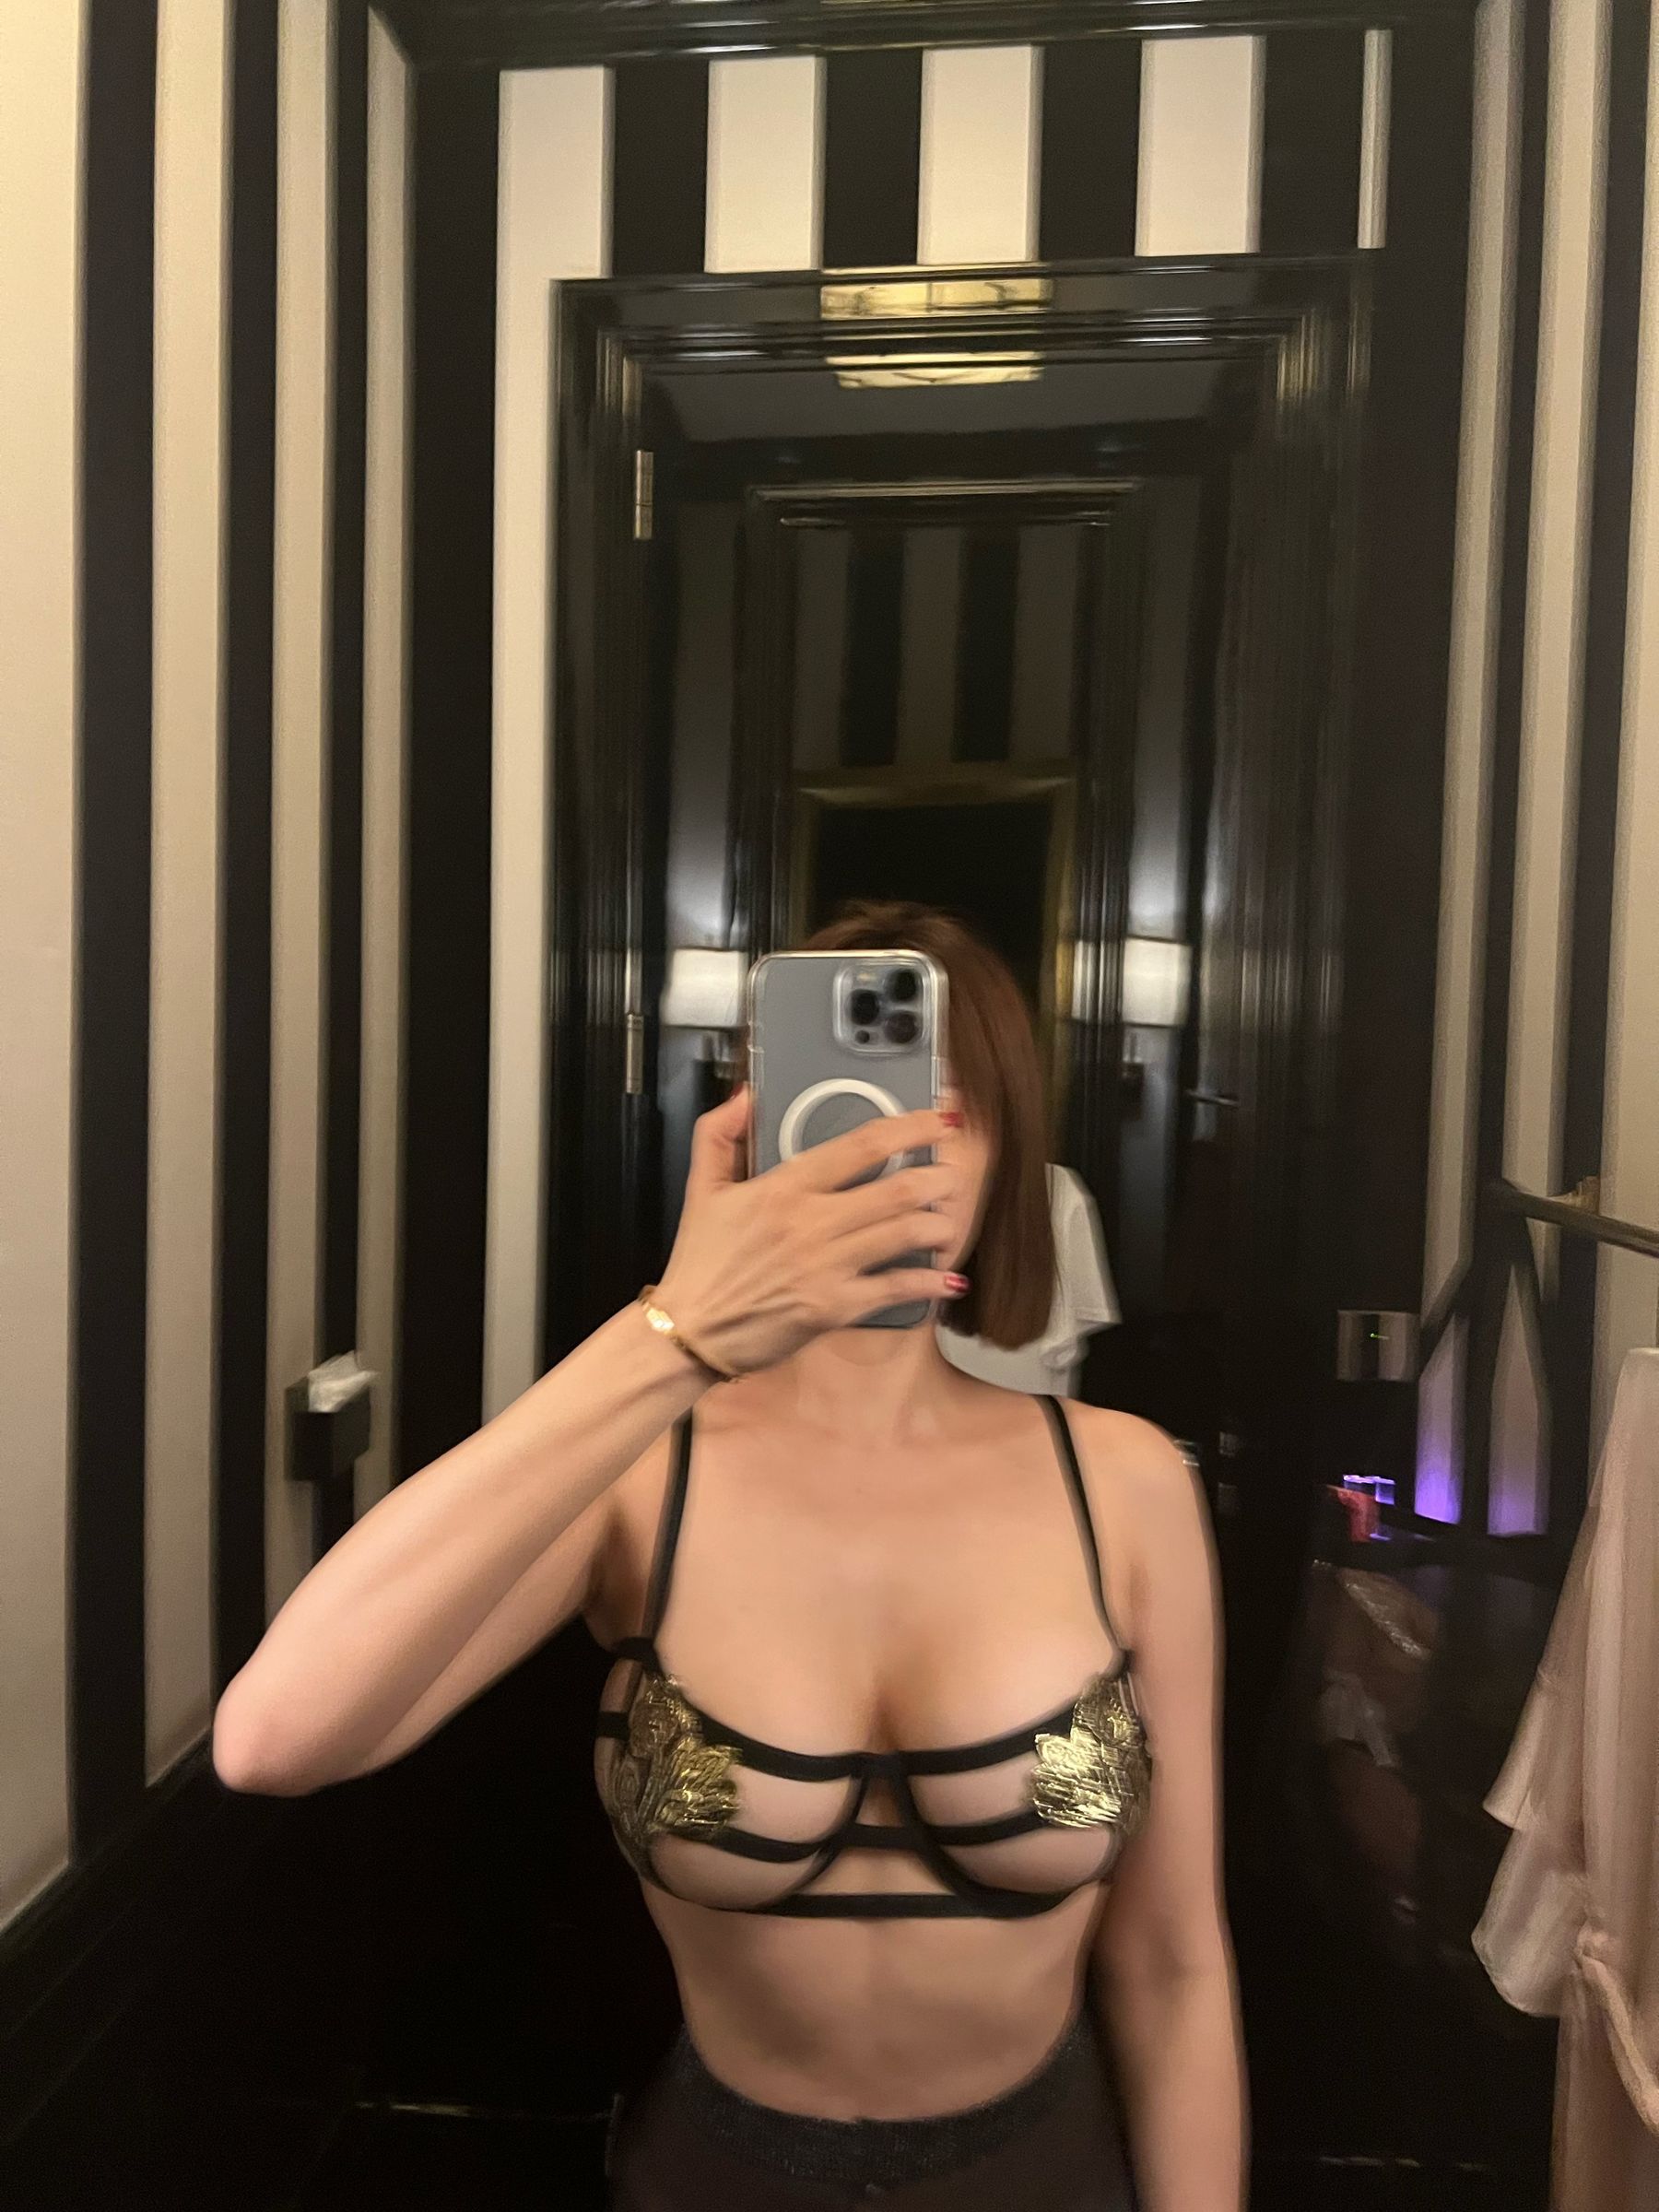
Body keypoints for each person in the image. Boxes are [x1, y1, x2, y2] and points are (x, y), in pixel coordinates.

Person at [212, 903, 1247, 2211]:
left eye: (946, 1109)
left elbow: (1172, 1962)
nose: (891, 1147)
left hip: (1048, 2171)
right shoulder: (642, 1474)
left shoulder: (1127, 1484)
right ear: (756, 1135)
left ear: (1010, 1157)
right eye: (845, 1103)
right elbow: (275, 1739)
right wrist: (674, 1332)